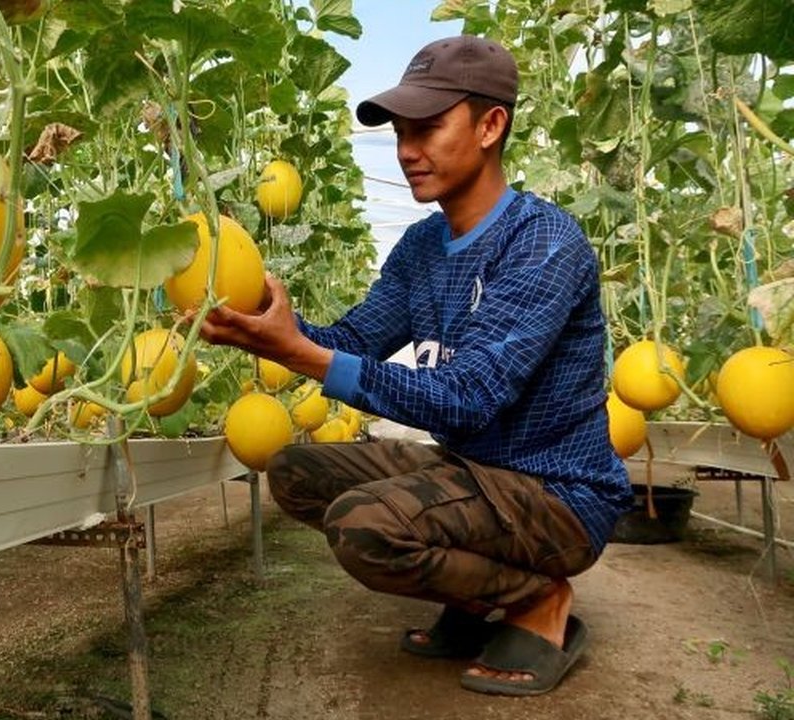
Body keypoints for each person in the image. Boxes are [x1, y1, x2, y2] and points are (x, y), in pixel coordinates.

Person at [196, 35, 633, 696]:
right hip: (474, 478)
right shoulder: (422, 246)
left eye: (426, 129)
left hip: (556, 495)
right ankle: (476, 598)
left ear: (491, 125)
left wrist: (304, 355)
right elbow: (353, 339)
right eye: (401, 131)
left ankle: (535, 599)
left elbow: (468, 398)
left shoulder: (544, 241)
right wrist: (269, 325)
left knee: (364, 526)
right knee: (296, 472)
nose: (406, 150)